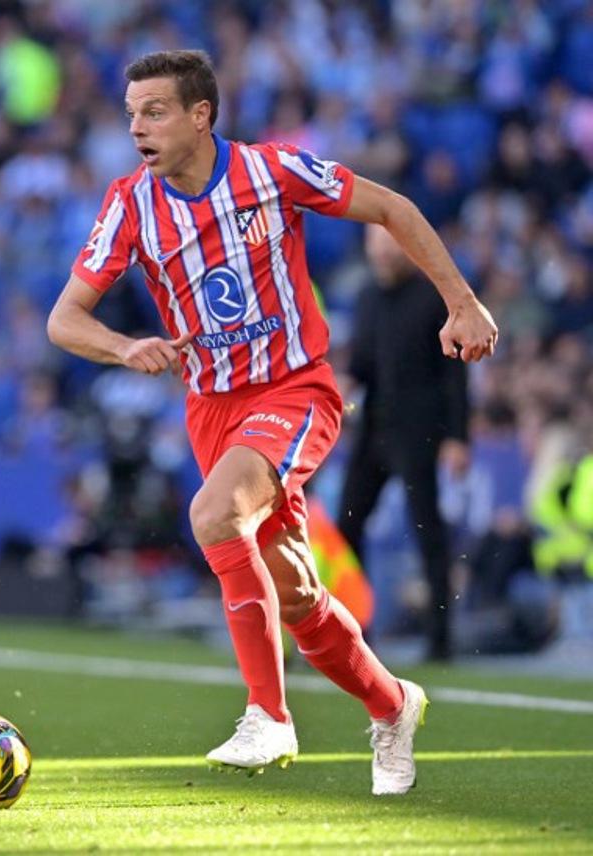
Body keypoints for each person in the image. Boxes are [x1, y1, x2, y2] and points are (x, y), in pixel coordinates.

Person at [47, 50, 497, 796]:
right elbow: (65, 319)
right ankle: (392, 707)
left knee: (214, 514)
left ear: (201, 114)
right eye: (130, 114)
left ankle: (268, 713)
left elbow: (392, 208)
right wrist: (126, 347)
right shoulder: (130, 205)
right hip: (212, 411)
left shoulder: (272, 172)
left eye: (153, 111)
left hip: (295, 390)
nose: (137, 128)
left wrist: (462, 302)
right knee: (294, 594)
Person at [338, 225, 470, 661]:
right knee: (347, 527)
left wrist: (457, 437)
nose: (381, 255)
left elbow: (455, 375)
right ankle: (352, 629)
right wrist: (339, 388)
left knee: (427, 531)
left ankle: (441, 639)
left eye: (389, 246)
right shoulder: (367, 298)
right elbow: (361, 364)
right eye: (375, 245)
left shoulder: (431, 298)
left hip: (419, 432)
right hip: (374, 429)